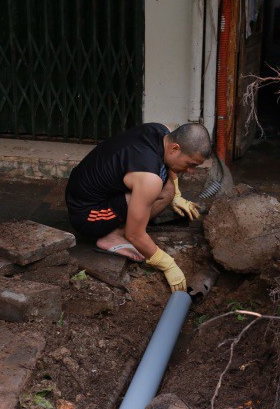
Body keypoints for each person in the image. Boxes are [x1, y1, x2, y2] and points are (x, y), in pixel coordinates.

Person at [65, 122, 211, 292]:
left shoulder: (160, 130)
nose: (192, 171)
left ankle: (119, 226)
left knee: (168, 190)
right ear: (175, 148)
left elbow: (169, 167)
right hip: (86, 213)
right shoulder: (149, 178)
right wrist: (167, 264)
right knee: (154, 192)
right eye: (191, 164)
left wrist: (176, 195)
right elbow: (135, 235)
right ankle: (112, 237)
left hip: (86, 186)